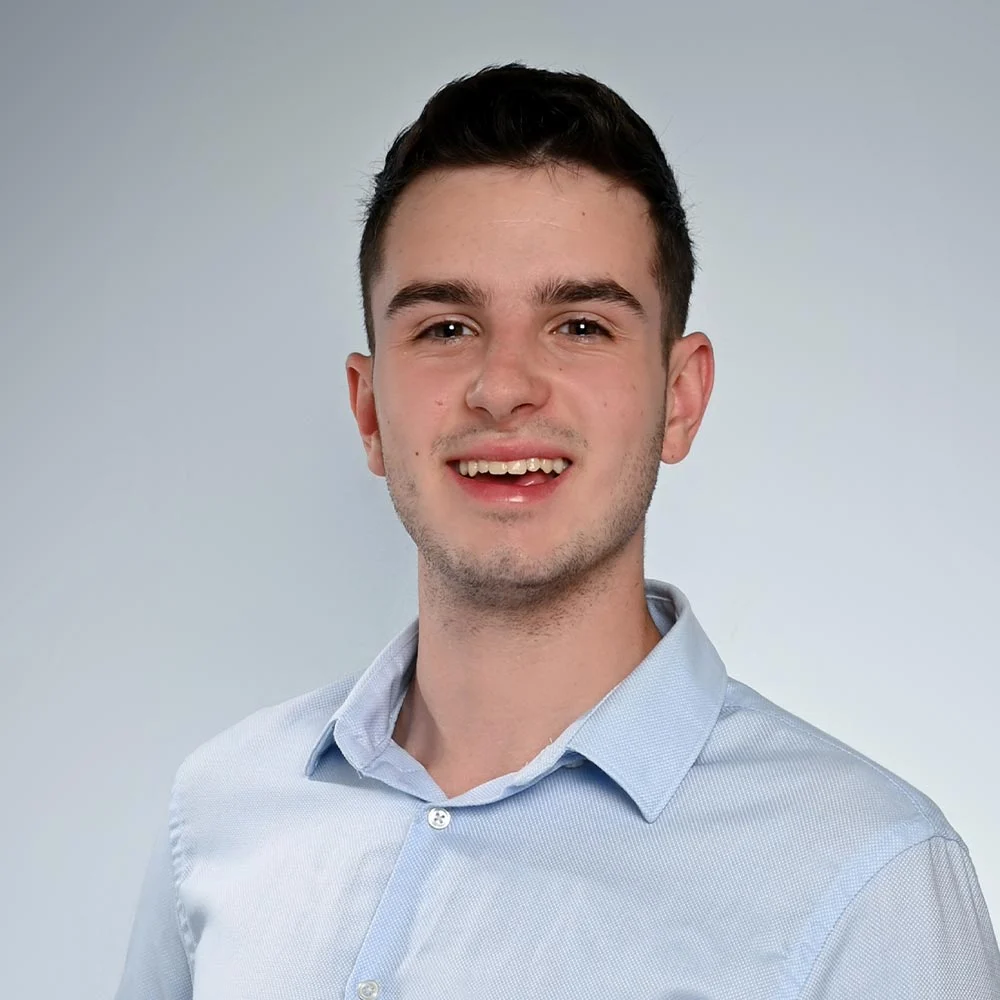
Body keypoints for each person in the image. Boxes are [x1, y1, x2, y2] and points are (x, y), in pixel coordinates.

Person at [116, 63, 1000, 999]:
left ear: (681, 399)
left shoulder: (868, 880)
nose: (503, 387)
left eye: (579, 326)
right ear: (369, 410)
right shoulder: (220, 811)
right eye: (446, 328)